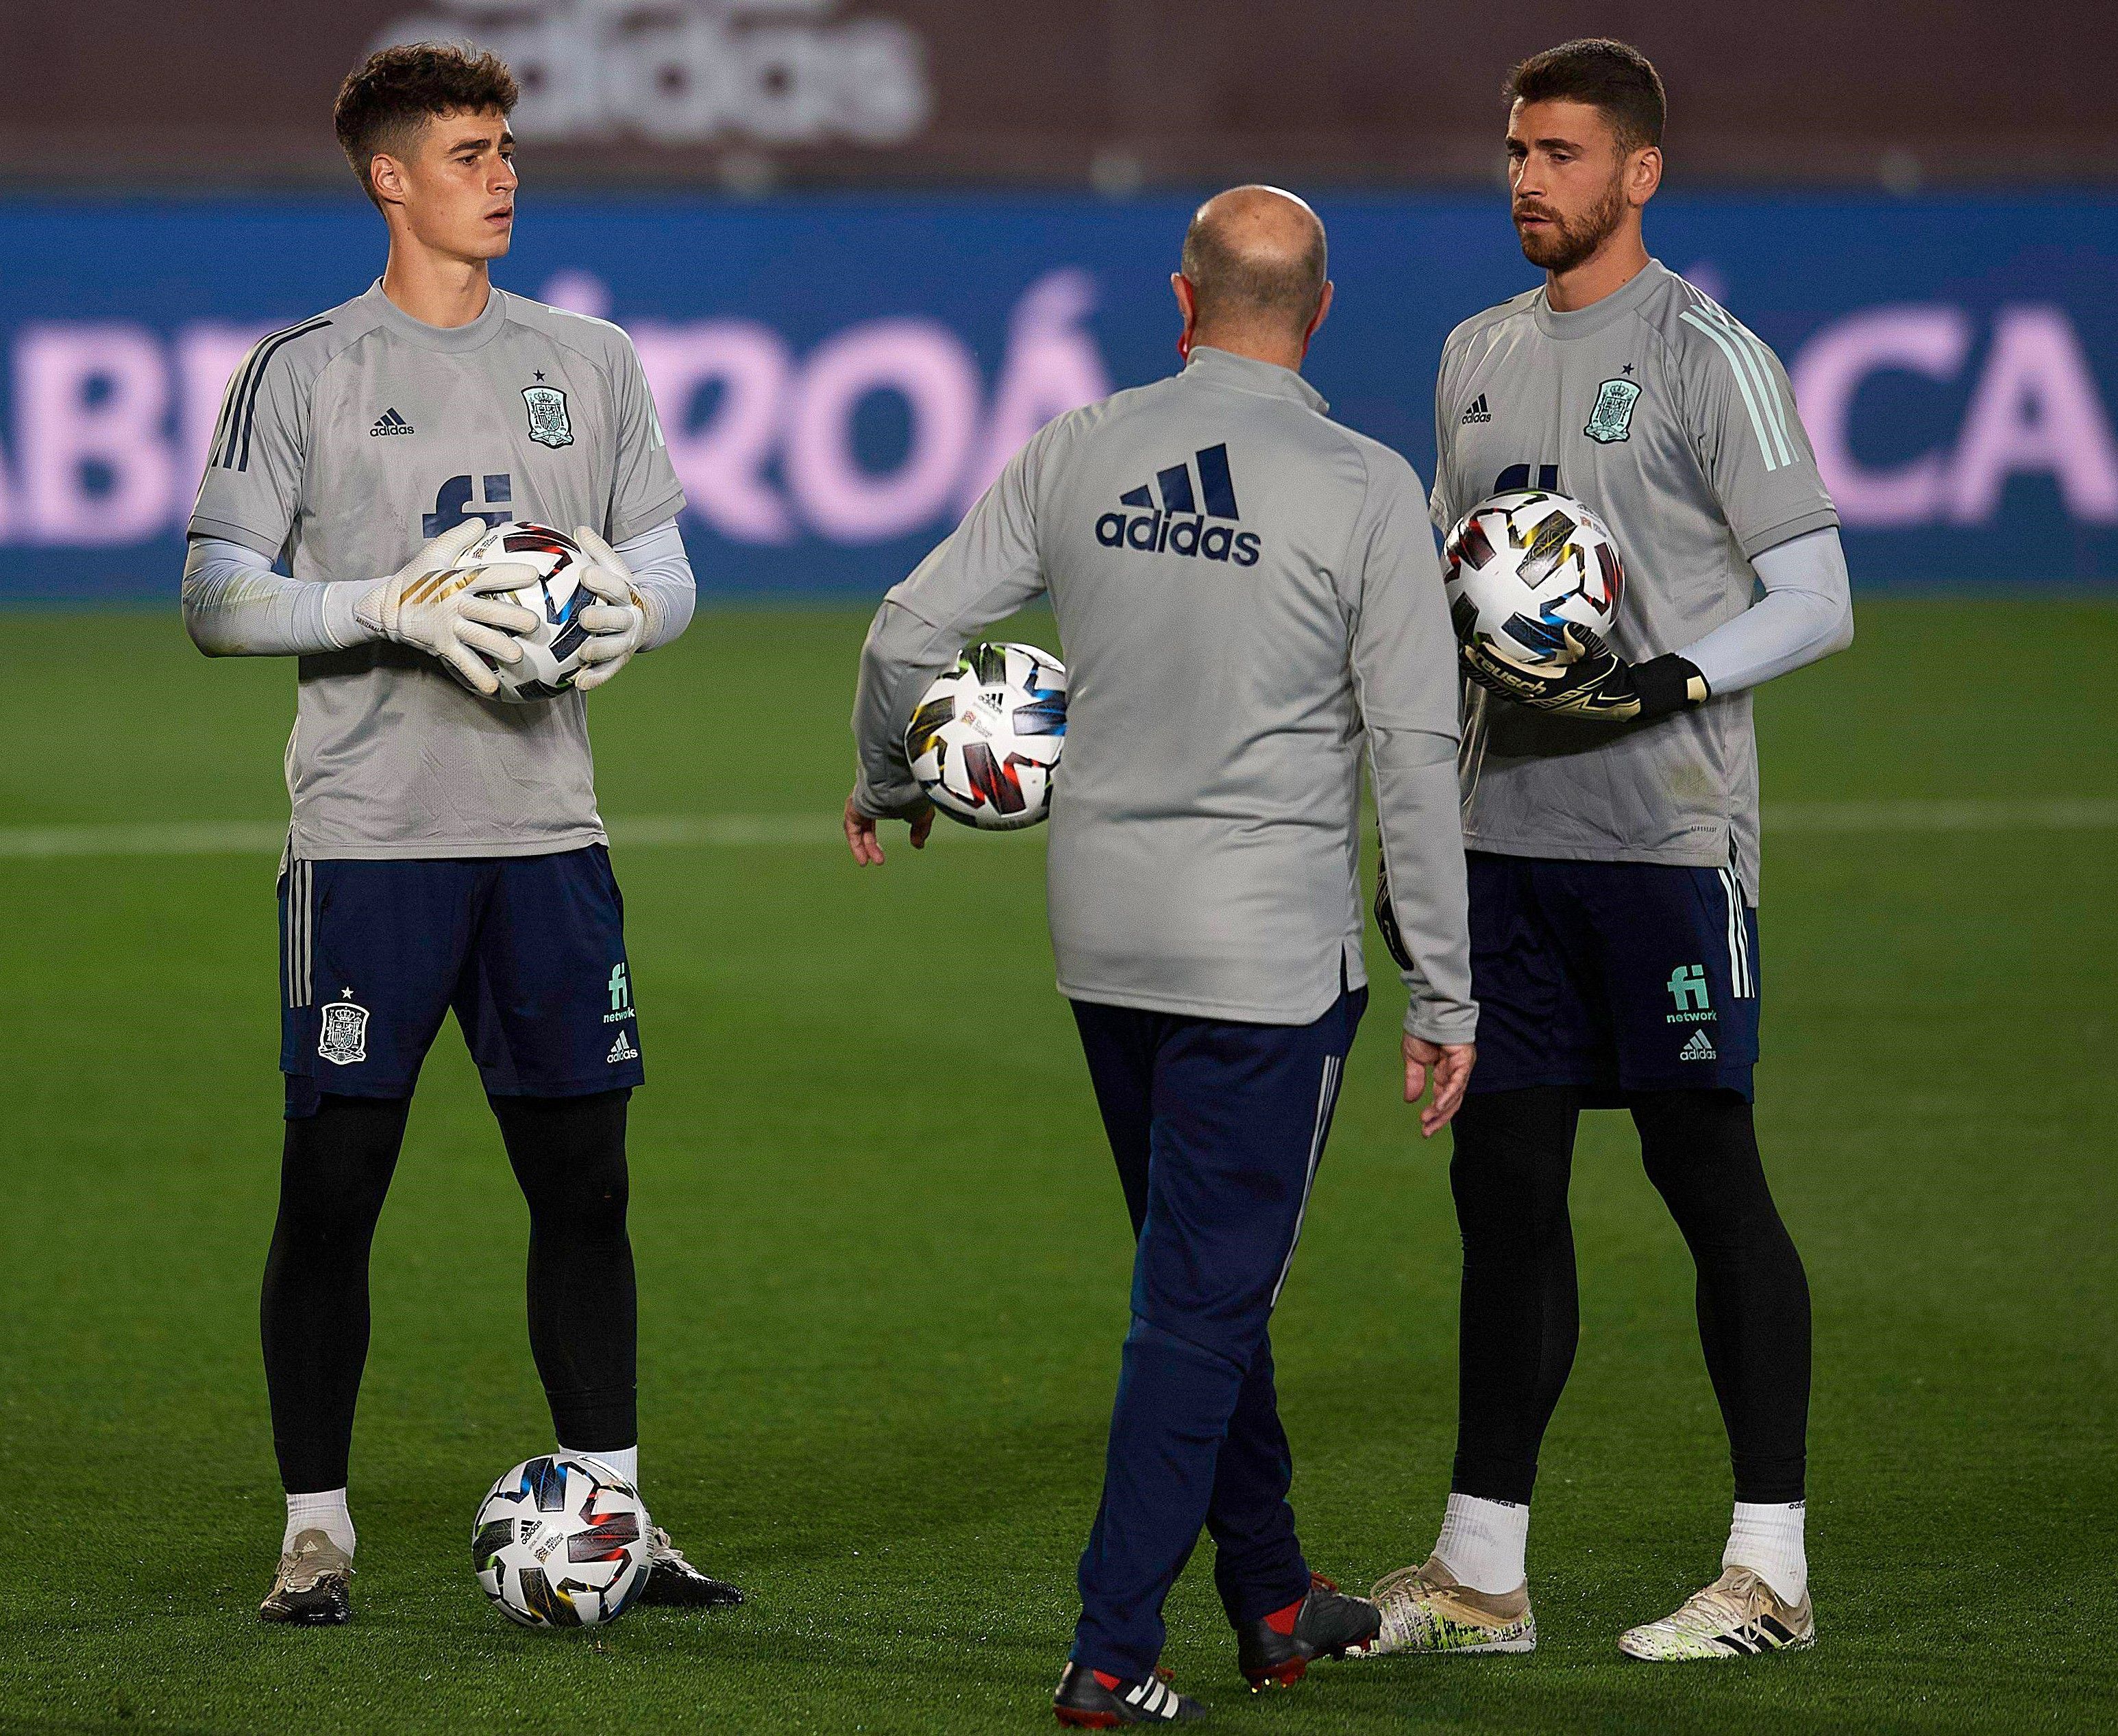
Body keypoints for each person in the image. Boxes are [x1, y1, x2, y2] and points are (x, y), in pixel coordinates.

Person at [847, 186, 1477, 1725]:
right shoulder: (1365, 486)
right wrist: (1447, 985)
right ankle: (1113, 1646)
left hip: (1105, 938)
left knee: (1203, 1273)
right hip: (1265, 959)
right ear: (1319, 311)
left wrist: (891, 777)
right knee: (1200, 1302)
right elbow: (1414, 753)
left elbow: (901, 635)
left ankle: (1272, 1593)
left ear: (1180, 300)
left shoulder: (1080, 447)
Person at [181, 42, 740, 1624]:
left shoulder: (591, 357)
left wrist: (629, 609)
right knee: (336, 1188)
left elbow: (669, 565)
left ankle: (614, 1514)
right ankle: (315, 1532)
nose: (503, 175)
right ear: (390, 177)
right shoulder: (301, 369)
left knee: (588, 1188)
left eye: (507, 148)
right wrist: (392, 605)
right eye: (470, 152)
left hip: (548, 839)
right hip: (369, 845)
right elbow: (215, 593)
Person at [1365, 39, 1854, 1663]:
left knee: (1705, 1174)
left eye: (1561, 153)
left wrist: (1668, 678)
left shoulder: (1711, 355)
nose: (1527, 178)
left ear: (1638, 171)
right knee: (1502, 1193)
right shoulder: (1473, 351)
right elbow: (1455, 612)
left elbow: (1817, 598)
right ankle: (1481, 1575)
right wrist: (1422, 834)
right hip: (1503, 845)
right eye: (1516, 150)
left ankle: (1769, 1572)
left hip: (1662, 844)